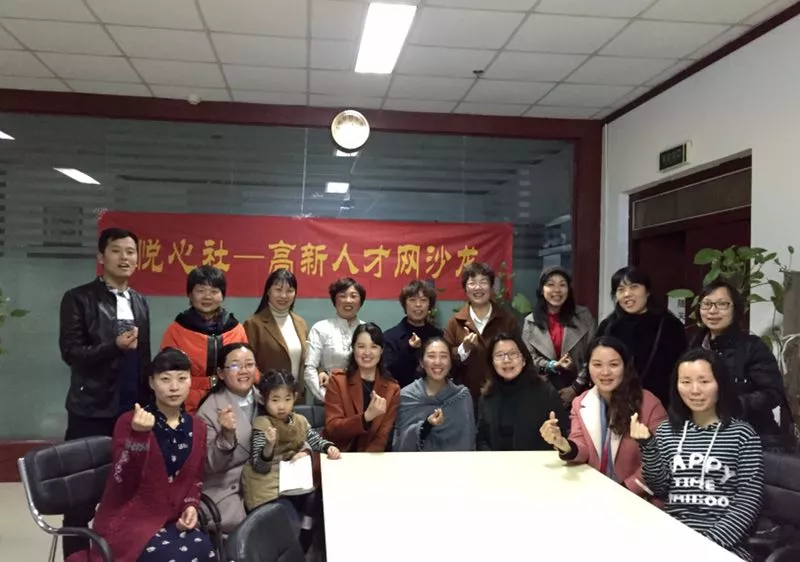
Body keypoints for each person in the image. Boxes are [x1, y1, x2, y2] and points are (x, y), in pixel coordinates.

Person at [66, 348, 213, 562]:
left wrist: (190, 505)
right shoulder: (130, 421)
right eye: (165, 379)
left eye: (182, 378)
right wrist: (139, 436)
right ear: (152, 382)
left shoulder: (198, 427)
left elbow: (195, 477)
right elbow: (122, 480)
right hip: (130, 520)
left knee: (205, 549)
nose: (174, 387)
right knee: (173, 557)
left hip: (172, 520)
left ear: (191, 381)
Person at [59, 227, 152, 559]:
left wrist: (149, 402)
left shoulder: (139, 300)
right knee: (81, 499)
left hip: (129, 410)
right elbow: (71, 353)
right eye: (116, 250)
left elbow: (143, 358)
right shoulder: (79, 298)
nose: (125, 257)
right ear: (101, 256)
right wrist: (114, 346)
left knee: (125, 492)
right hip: (90, 409)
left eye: (131, 251)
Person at [634, 348, 765, 561]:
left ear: (720, 384)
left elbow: (748, 501)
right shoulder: (667, 430)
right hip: (672, 538)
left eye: (704, 381)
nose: (695, 390)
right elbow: (660, 488)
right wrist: (648, 445)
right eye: (686, 382)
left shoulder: (742, 434)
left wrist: (705, 544)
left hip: (723, 545)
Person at [540, 336, 667, 498]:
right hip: (595, 492)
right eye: (597, 365)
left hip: (639, 498)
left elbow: (662, 460)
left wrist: (623, 491)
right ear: (588, 367)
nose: (605, 372)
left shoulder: (649, 404)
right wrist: (562, 443)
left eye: (613, 364)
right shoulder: (580, 402)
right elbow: (582, 446)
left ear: (625, 366)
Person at [691, 279, 795, 451]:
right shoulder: (694, 347)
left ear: (736, 309)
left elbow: (772, 393)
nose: (712, 311)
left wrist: (734, 404)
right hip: (705, 437)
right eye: (706, 304)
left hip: (750, 438)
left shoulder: (752, 347)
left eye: (722, 304)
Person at [241, 369, 340, 549]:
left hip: (291, 479)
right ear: (264, 399)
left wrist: (328, 447)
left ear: (294, 397)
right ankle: (293, 545)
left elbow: (313, 439)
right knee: (288, 525)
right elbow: (259, 466)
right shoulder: (262, 424)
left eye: (287, 399)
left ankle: (305, 538)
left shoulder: (299, 420)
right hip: (267, 486)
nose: (282, 406)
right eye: (275, 400)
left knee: (314, 498)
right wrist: (269, 446)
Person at [577, 266, 686, 408]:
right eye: (621, 289)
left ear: (647, 291)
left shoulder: (670, 325)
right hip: (614, 404)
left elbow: (680, 368)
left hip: (659, 403)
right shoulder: (608, 326)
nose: (627, 294)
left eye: (634, 287)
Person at [160, 265, 248, 413]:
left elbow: (243, 367)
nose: (207, 297)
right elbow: (168, 373)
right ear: (190, 294)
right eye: (201, 291)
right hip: (187, 403)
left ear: (222, 296)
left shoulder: (236, 329)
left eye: (214, 291)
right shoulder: (176, 330)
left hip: (230, 401)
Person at [196, 343, 260, 534]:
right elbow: (208, 465)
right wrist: (226, 436)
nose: (244, 371)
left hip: (263, 480)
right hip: (228, 488)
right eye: (235, 365)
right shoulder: (208, 410)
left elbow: (292, 428)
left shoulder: (267, 398)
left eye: (249, 364)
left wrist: (303, 451)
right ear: (221, 373)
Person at [444, 263, 519, 408]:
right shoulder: (455, 323)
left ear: (491, 287)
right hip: (464, 400)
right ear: (465, 288)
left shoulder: (507, 320)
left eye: (483, 282)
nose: (478, 288)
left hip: (502, 397)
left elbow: (519, 356)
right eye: (472, 283)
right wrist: (464, 349)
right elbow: (445, 361)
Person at [476, 333, 568, 451]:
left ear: (524, 360)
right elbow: (481, 439)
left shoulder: (546, 392)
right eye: (499, 355)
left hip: (537, 461)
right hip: (496, 462)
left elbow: (562, 436)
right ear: (492, 363)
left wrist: (556, 437)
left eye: (513, 354)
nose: (507, 360)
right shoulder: (487, 396)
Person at [522, 266, 596, 407]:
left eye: (562, 285)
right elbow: (528, 358)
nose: (557, 290)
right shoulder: (531, 322)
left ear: (568, 289)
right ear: (542, 290)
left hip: (581, 393)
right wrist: (551, 365)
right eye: (550, 284)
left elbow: (593, 354)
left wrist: (575, 388)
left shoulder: (584, 316)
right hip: (543, 393)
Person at [324, 323, 400, 452]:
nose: (367, 353)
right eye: (361, 346)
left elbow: (382, 437)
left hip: (372, 458)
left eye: (374, 347)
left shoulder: (392, 389)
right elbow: (332, 429)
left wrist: (365, 461)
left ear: (381, 350)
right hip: (337, 453)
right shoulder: (338, 381)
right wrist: (365, 418)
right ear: (353, 348)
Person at [393, 337, 475, 452]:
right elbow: (400, 444)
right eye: (431, 356)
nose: (438, 362)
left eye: (443, 356)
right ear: (422, 362)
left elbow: (468, 441)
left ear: (450, 362)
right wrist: (425, 426)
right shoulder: (406, 397)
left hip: (456, 462)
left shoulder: (462, 397)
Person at [243, 268, 308, 399]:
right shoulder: (253, 324)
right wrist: (265, 389)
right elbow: (247, 364)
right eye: (278, 290)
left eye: (289, 291)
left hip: (296, 398)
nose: (284, 296)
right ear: (268, 291)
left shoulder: (300, 323)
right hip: (266, 398)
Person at [304, 277, 366, 402]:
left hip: (360, 399)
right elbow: (310, 369)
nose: (348, 300)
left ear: (361, 301)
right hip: (327, 397)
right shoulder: (321, 328)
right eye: (342, 296)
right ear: (334, 300)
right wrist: (328, 398)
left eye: (353, 296)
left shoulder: (367, 330)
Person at [383, 280, 444, 388]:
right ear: (404, 304)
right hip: (400, 395)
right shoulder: (390, 337)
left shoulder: (439, 336)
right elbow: (388, 373)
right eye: (412, 300)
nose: (418, 305)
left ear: (430, 305)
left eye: (423, 300)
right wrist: (409, 349)